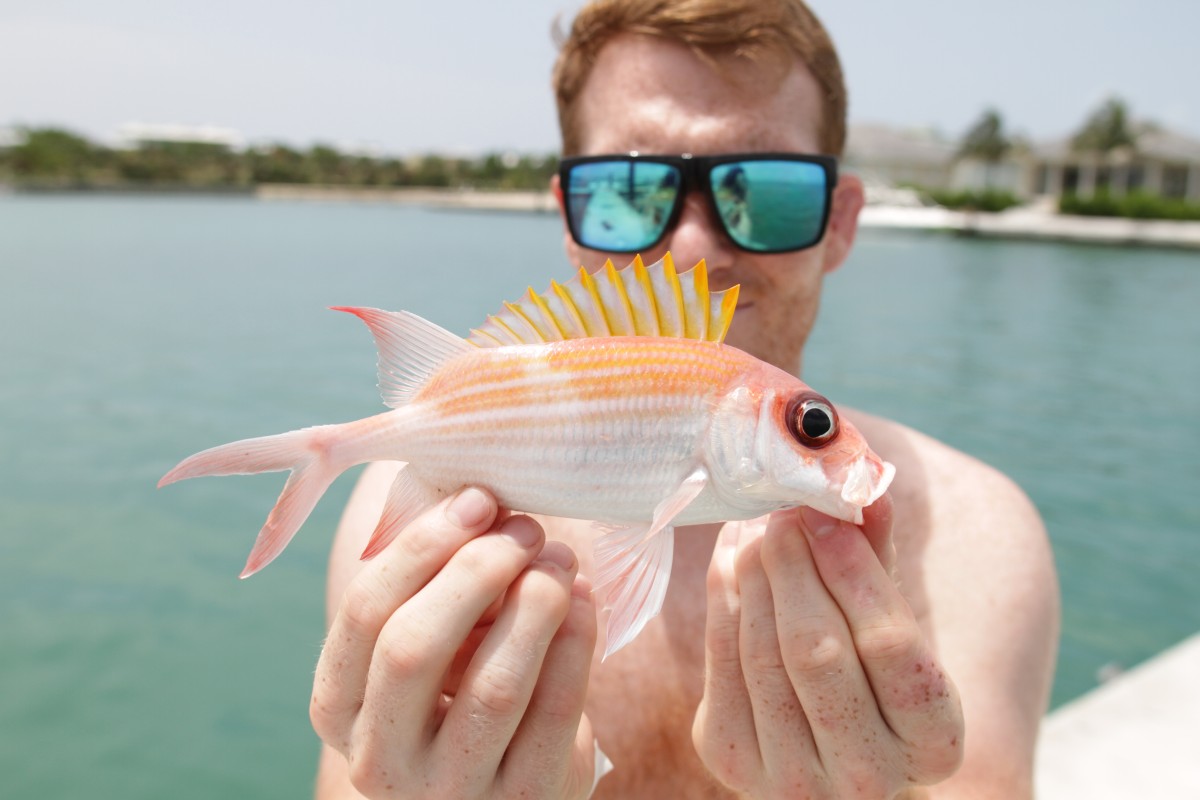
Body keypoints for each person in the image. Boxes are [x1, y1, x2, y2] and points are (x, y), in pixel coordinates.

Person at [310, 1, 1060, 797]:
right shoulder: (406, 526)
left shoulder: (987, 544)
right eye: (629, 193)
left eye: (765, 195)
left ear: (839, 224)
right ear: (571, 218)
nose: (695, 252)